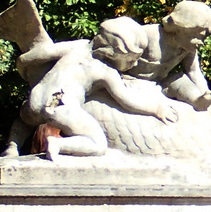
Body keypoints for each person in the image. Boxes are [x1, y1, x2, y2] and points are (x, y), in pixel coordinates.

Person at [10, 17, 178, 160]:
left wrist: (23, 62)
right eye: (131, 59)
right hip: (62, 106)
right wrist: (156, 108)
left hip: (36, 96)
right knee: (97, 144)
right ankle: (58, 144)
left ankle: (12, 145)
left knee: (24, 121)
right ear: (116, 52)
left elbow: (46, 51)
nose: (134, 65)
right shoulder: (105, 71)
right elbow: (126, 99)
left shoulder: (79, 46)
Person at [130, 0, 211, 110]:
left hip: (159, 83)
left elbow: (194, 72)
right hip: (132, 80)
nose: (201, 42)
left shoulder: (187, 48)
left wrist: (205, 92)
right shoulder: (148, 35)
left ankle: (198, 100)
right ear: (183, 28)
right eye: (199, 35)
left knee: (179, 80)